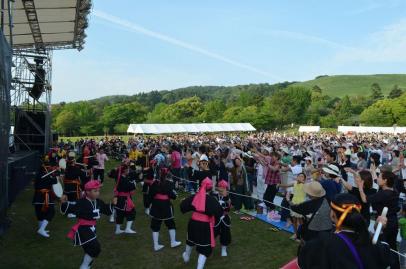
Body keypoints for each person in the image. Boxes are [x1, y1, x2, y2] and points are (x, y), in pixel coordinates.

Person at [298, 193, 394, 269]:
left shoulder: (324, 242)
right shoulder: (371, 242)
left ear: (332, 215)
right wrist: (380, 231)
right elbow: (386, 256)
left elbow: (303, 262)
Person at [61, 180, 115, 269]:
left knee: (91, 249)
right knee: (95, 247)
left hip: (92, 228)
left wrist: (113, 204)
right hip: (83, 229)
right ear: (87, 192)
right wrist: (64, 203)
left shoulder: (98, 202)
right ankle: (84, 266)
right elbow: (71, 208)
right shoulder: (81, 202)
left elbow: (106, 210)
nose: (98, 193)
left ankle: (85, 266)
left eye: (98, 191)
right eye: (95, 191)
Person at [357, 170, 400, 269]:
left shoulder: (384, 194)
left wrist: (360, 188)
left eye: (379, 177)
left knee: (383, 246)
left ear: (385, 181)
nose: (377, 179)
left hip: (384, 223)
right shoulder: (393, 190)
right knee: (393, 246)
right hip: (393, 221)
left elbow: (365, 199)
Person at [180, 178, 223, 269]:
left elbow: (183, 205)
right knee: (204, 248)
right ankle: (198, 267)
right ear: (211, 188)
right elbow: (220, 213)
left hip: (193, 223)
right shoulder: (212, 200)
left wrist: (184, 201)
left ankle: (186, 257)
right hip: (204, 225)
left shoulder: (195, 196)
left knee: (190, 240)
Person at [149, 168, 181, 251]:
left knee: (155, 225)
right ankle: (173, 242)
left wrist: (153, 202)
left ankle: (156, 245)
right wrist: (175, 196)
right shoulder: (169, 183)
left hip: (156, 204)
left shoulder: (154, 182)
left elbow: (151, 194)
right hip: (166, 205)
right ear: (167, 175)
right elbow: (173, 195)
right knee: (170, 223)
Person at [32, 159, 58, 237]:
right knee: (51, 212)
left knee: (40, 213)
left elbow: (36, 185)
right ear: (46, 168)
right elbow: (55, 181)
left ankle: (41, 229)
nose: (50, 169)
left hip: (37, 197)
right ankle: (42, 229)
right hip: (45, 196)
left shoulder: (37, 175)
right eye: (49, 168)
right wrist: (53, 175)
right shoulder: (47, 176)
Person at [113, 164, 137, 235]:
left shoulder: (119, 177)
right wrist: (133, 184)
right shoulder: (123, 179)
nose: (129, 170)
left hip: (119, 198)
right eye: (128, 169)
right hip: (124, 199)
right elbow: (130, 187)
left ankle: (118, 230)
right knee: (132, 212)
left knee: (120, 213)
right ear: (125, 171)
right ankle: (128, 228)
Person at [63, 151, 87, 218]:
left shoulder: (66, 168)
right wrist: (84, 168)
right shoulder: (76, 169)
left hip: (66, 187)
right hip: (73, 187)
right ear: (73, 162)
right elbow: (84, 176)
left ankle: (68, 211)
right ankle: (71, 213)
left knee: (69, 199)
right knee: (73, 199)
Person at [212, 180, 232, 257]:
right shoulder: (214, 195)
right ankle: (210, 246)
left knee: (225, 234)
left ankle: (224, 249)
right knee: (212, 233)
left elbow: (228, 208)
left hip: (224, 218)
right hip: (215, 218)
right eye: (222, 187)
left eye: (225, 188)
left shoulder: (227, 197)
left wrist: (226, 197)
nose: (223, 189)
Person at [399, 204, 406, 269]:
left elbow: (398, 221)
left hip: (404, 239)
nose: (400, 210)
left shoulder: (402, 220)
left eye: (401, 209)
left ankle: (402, 266)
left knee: (401, 252)